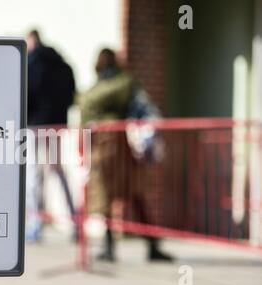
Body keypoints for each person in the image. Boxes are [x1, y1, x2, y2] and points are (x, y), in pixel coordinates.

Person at [78, 48, 173, 261]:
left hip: (100, 149)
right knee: (137, 196)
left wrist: (83, 153)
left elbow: (84, 125)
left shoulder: (90, 93)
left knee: (105, 198)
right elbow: (146, 110)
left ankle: (110, 248)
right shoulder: (126, 83)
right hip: (122, 148)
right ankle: (152, 246)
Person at [25, 30, 77, 241]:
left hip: (38, 124)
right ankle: (75, 220)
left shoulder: (33, 63)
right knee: (57, 171)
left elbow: (28, 93)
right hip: (57, 123)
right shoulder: (63, 65)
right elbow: (72, 95)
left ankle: (37, 223)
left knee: (36, 173)